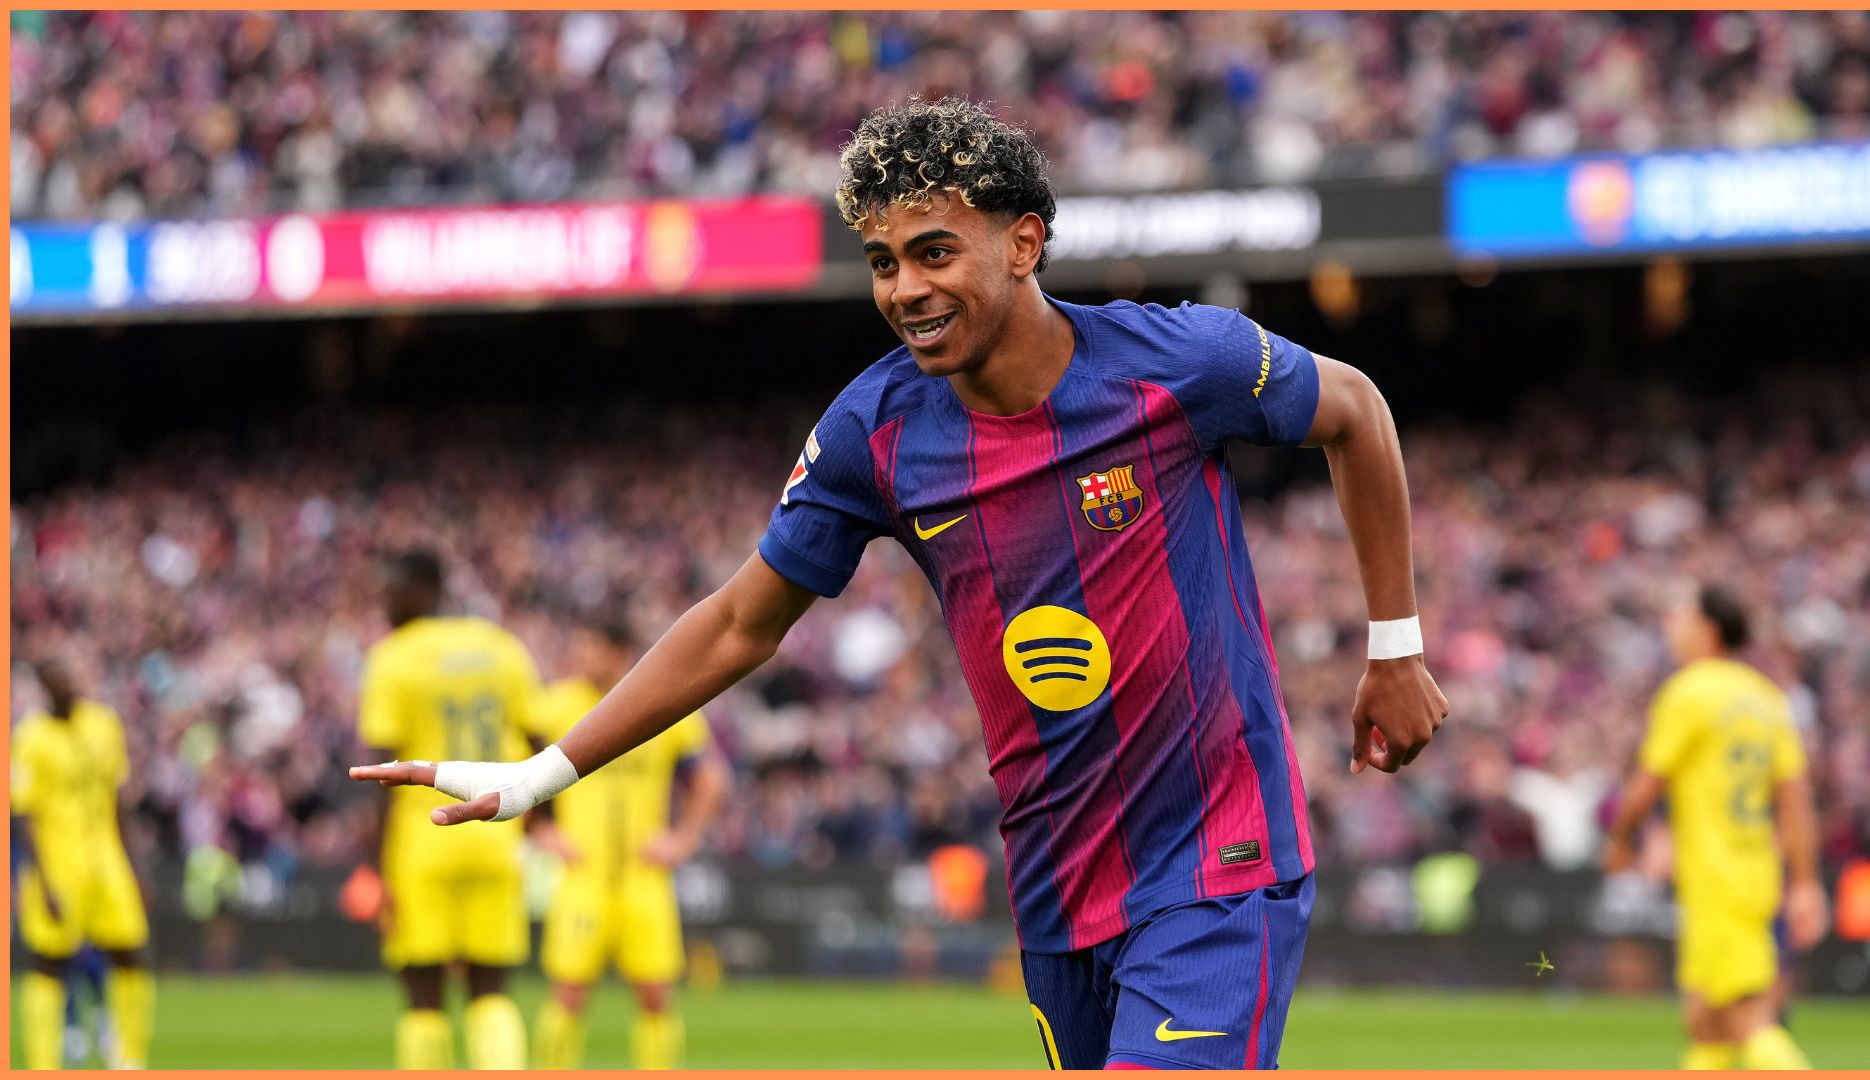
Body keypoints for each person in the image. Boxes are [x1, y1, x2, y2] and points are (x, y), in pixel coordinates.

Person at [352, 96, 1447, 1070]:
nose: (905, 289)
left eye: (933, 252)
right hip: (1061, 887)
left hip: (1220, 860)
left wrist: (1394, 645)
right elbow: (741, 620)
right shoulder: (875, 432)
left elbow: (1355, 410)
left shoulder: (1179, 364)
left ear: (1024, 244)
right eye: (883, 262)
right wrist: (545, 774)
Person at [1605, 583, 1827, 1070]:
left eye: (1680, 615)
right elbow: (1794, 801)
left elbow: (1646, 785)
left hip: (1716, 878)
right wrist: (1806, 882)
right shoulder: (1768, 698)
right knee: (1706, 1022)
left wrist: (1620, 839)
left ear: (1707, 628)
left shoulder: (1689, 692)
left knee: (1750, 1019)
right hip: (1754, 874)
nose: (1672, 624)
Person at [357, 550, 543, 1069]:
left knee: (422, 993)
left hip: (423, 842)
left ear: (422, 590)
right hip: (497, 834)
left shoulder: (395, 656)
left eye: (391, 589)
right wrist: (541, 822)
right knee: (492, 990)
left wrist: (373, 863)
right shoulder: (503, 647)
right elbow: (540, 741)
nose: (384, 602)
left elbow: (382, 769)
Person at [529, 616, 730, 1070]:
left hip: (645, 876)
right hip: (584, 874)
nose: (580, 657)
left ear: (617, 650)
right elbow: (515, 759)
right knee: (567, 995)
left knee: (656, 997)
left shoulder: (663, 697)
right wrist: (538, 829)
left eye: (590, 646)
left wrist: (684, 838)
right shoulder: (556, 705)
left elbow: (711, 776)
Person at [10, 657, 155, 1070]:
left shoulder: (103, 724)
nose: (71, 684)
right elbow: (26, 816)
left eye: (75, 675)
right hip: (58, 863)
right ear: (44, 686)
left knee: (130, 951)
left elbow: (118, 799)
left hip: (106, 856)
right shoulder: (31, 738)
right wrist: (42, 880)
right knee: (49, 962)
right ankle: (43, 1064)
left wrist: (134, 866)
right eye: (60, 679)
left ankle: (128, 1057)